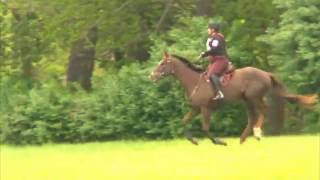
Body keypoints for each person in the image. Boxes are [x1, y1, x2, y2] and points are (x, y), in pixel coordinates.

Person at [199, 23, 230, 100]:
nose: (208, 30)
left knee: (212, 74)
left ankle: (220, 93)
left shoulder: (216, 38)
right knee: (206, 74)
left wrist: (204, 54)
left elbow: (214, 49)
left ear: (213, 29)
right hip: (216, 60)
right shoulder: (215, 37)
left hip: (220, 60)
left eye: (209, 28)